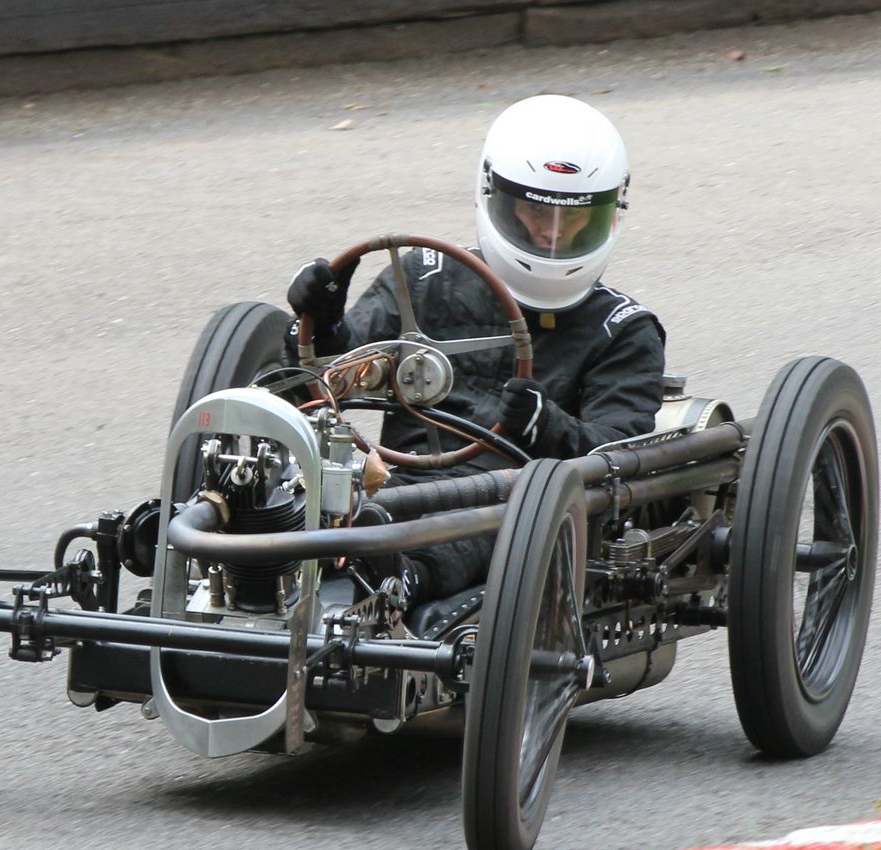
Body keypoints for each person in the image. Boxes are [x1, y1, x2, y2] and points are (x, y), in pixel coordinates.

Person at [285, 94, 667, 609]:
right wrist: (322, 324)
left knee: (503, 520)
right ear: (497, 199)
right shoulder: (423, 277)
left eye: (574, 219)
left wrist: (549, 428)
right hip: (394, 482)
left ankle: (402, 577)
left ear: (609, 214)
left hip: (518, 505)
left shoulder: (622, 329)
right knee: (292, 493)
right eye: (535, 210)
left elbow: (620, 459)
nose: (552, 235)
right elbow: (343, 371)